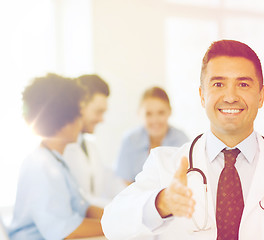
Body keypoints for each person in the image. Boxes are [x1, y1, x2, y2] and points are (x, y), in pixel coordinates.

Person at [101, 40, 264, 239]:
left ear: (261, 96)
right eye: (218, 84)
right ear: (202, 95)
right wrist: (161, 203)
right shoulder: (164, 164)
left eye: (243, 84)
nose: (230, 96)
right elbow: (112, 224)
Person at [8, 73, 104, 239]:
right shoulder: (40, 166)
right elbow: (65, 230)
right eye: (79, 112)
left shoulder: (56, 161)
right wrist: (117, 227)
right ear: (64, 119)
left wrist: (125, 217)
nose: (82, 118)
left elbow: (83, 207)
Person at [63, 74, 124, 206]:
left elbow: (110, 182)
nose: (102, 119)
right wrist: (119, 208)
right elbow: (78, 200)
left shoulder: (90, 147)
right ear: (80, 106)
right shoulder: (62, 148)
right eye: (98, 112)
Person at [114, 86, 189, 185]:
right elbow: (125, 182)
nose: (155, 120)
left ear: (169, 111)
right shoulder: (130, 140)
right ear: (139, 113)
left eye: (161, 113)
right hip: (137, 198)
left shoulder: (181, 140)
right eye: (148, 114)